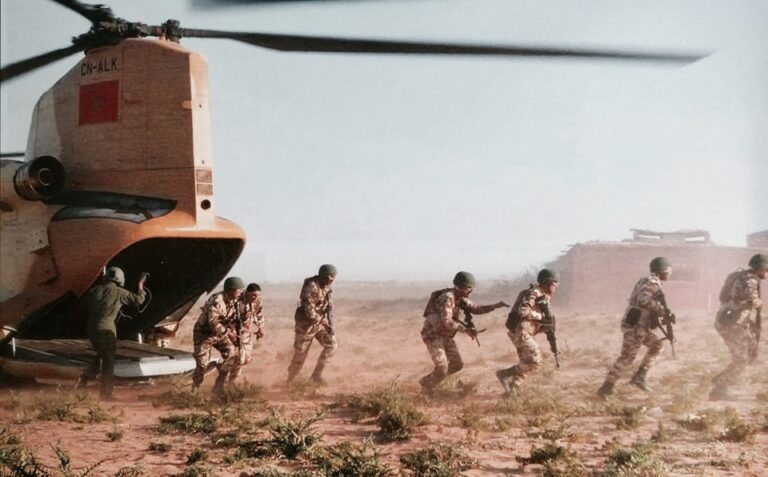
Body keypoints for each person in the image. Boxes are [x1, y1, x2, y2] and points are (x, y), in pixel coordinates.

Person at [419, 271, 508, 394]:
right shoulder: (448, 297)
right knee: (442, 368)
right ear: (460, 287)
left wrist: (495, 306)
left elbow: (476, 309)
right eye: (468, 288)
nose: (470, 291)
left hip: (446, 336)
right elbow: (447, 321)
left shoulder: (461, 298)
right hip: (433, 336)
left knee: (457, 364)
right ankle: (426, 385)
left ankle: (434, 381)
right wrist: (465, 330)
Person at [597, 257, 673, 399]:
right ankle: (606, 388)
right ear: (661, 270)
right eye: (668, 270)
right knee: (627, 357)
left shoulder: (645, 280)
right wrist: (660, 309)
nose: (670, 273)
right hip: (637, 326)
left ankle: (640, 377)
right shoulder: (652, 282)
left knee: (657, 345)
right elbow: (643, 300)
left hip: (640, 326)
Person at [78, 266, 147, 400]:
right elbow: (139, 300)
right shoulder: (119, 292)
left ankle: (85, 377)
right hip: (106, 327)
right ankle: (105, 394)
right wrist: (140, 285)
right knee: (108, 360)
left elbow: (83, 305)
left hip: (91, 327)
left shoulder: (95, 290)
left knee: (103, 354)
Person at [709, 253, 766, 400]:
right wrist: (759, 302)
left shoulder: (741, 276)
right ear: (761, 268)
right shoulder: (750, 280)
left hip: (731, 321)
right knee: (741, 361)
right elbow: (749, 298)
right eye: (766, 270)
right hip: (732, 324)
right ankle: (719, 389)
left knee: (750, 350)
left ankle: (721, 379)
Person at [495, 268, 560, 397]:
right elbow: (523, 311)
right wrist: (540, 317)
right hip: (521, 332)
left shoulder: (544, 295)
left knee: (527, 362)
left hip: (526, 332)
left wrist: (549, 333)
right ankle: (504, 374)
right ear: (547, 282)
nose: (556, 287)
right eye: (555, 284)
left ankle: (513, 388)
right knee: (535, 362)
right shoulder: (534, 293)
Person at [191, 276, 244, 393]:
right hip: (204, 335)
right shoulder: (217, 300)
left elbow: (232, 320)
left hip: (220, 334)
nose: (241, 292)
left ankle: (219, 383)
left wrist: (234, 331)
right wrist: (229, 334)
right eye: (239, 289)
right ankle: (195, 389)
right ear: (232, 290)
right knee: (202, 365)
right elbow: (213, 323)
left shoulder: (234, 301)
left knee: (232, 354)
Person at [286, 264, 338, 385]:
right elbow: (308, 310)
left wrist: (327, 314)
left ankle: (316, 375)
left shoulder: (327, 287)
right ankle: (291, 381)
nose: (331, 279)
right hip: (305, 326)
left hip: (318, 325)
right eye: (328, 276)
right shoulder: (312, 286)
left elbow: (324, 305)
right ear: (322, 275)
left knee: (331, 345)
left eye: (333, 276)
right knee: (300, 355)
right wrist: (323, 321)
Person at [229, 282, 265, 384]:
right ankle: (231, 381)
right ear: (247, 293)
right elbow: (229, 318)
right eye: (253, 295)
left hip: (246, 332)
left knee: (247, 359)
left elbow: (259, 314)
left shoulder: (257, 300)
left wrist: (260, 327)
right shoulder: (237, 302)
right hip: (234, 333)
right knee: (240, 358)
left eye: (258, 295)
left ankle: (227, 372)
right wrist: (232, 332)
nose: (255, 297)